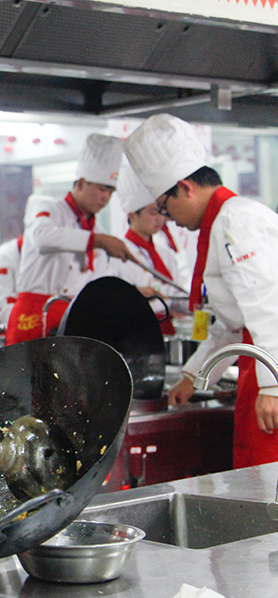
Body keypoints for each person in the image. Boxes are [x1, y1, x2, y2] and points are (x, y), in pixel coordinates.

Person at [125, 113, 278, 467]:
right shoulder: (222, 221)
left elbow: (268, 307)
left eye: (166, 207)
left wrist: (273, 387)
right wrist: (193, 377)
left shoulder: (236, 221)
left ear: (186, 187)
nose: (169, 219)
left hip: (269, 365)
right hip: (260, 362)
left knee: (266, 479)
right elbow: (230, 325)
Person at [6, 134, 135, 345]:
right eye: (101, 188)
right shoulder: (50, 208)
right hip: (34, 315)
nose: (105, 197)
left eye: (110, 191)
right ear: (81, 183)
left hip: (72, 317)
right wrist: (98, 241)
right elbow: (42, 237)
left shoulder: (98, 230)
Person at [110, 161, 188, 335]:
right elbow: (111, 299)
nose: (159, 218)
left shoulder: (165, 254)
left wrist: (197, 303)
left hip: (166, 329)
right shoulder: (117, 252)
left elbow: (176, 295)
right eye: (153, 212)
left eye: (161, 211)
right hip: (132, 330)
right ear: (132, 215)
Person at [0, 194, 52, 329]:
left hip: (28, 319)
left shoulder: (45, 257)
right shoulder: (5, 255)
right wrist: (18, 329)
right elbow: (3, 299)